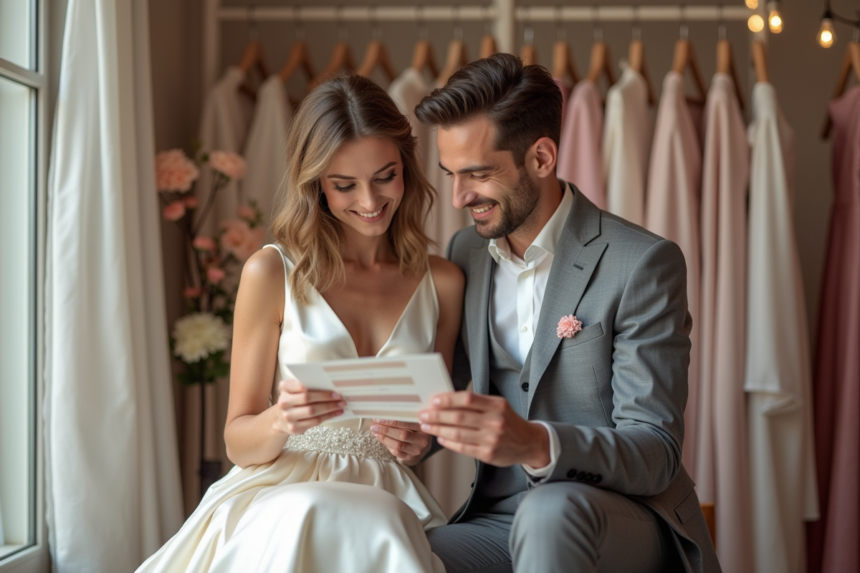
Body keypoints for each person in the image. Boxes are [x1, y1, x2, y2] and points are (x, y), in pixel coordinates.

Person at [376, 53, 721, 572]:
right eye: (450, 174)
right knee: (393, 548)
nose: (458, 197)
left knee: (549, 513)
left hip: (623, 516)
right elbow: (455, 387)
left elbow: (656, 452)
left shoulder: (642, 262)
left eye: (478, 174)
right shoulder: (464, 252)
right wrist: (421, 434)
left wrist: (538, 442)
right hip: (497, 520)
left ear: (541, 158)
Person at [136, 73, 464, 573]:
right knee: (311, 511)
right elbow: (237, 440)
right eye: (344, 185)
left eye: (385, 175)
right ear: (315, 185)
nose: (370, 201)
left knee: (376, 523)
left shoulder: (442, 282)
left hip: (390, 497)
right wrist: (281, 419)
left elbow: (424, 428)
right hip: (281, 490)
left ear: (407, 168)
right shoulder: (271, 272)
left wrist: (419, 443)